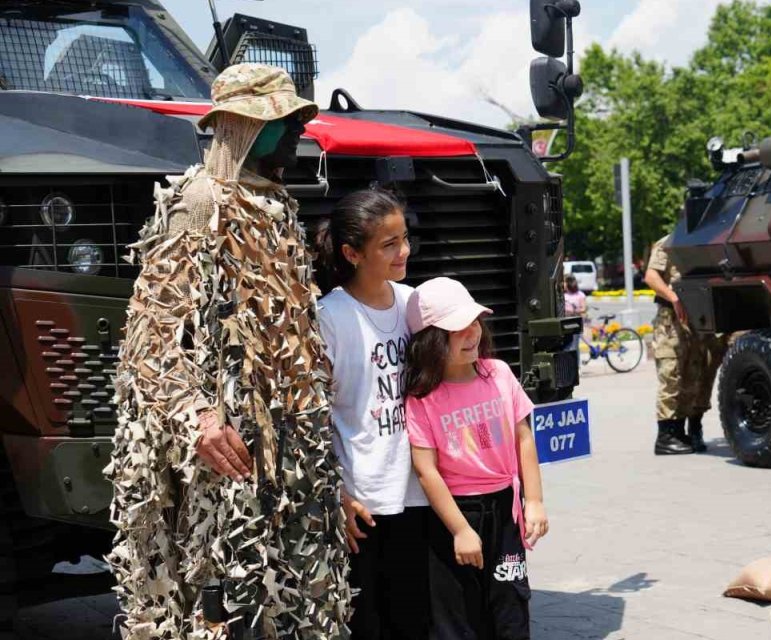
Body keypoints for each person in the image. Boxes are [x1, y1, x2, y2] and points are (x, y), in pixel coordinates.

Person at [107, 64, 352, 638]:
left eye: (295, 117)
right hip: (229, 447)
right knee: (226, 600)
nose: (296, 128)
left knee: (295, 592)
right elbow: (151, 335)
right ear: (243, 126)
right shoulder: (198, 202)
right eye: (281, 119)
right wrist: (200, 418)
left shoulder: (276, 206)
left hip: (292, 445)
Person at [403, 277, 549, 640]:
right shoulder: (423, 397)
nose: (471, 334)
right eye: (458, 329)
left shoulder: (497, 373)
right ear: (431, 340)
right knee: (456, 617)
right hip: (455, 513)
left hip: (504, 511)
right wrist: (460, 530)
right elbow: (426, 471)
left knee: (511, 607)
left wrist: (534, 501)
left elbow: (523, 437)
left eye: (475, 323)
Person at [314, 189, 430, 639]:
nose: (403, 251)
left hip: (420, 490)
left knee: (416, 619)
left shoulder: (414, 303)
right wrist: (335, 495)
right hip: (362, 502)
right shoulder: (330, 317)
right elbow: (313, 414)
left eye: (404, 238)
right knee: (367, 624)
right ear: (351, 252)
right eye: (388, 244)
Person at [644, 234, 726, 454]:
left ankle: (682, 433)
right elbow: (651, 277)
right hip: (670, 318)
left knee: (693, 375)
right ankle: (665, 437)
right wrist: (673, 297)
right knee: (670, 374)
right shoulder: (667, 242)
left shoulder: (701, 241)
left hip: (695, 318)